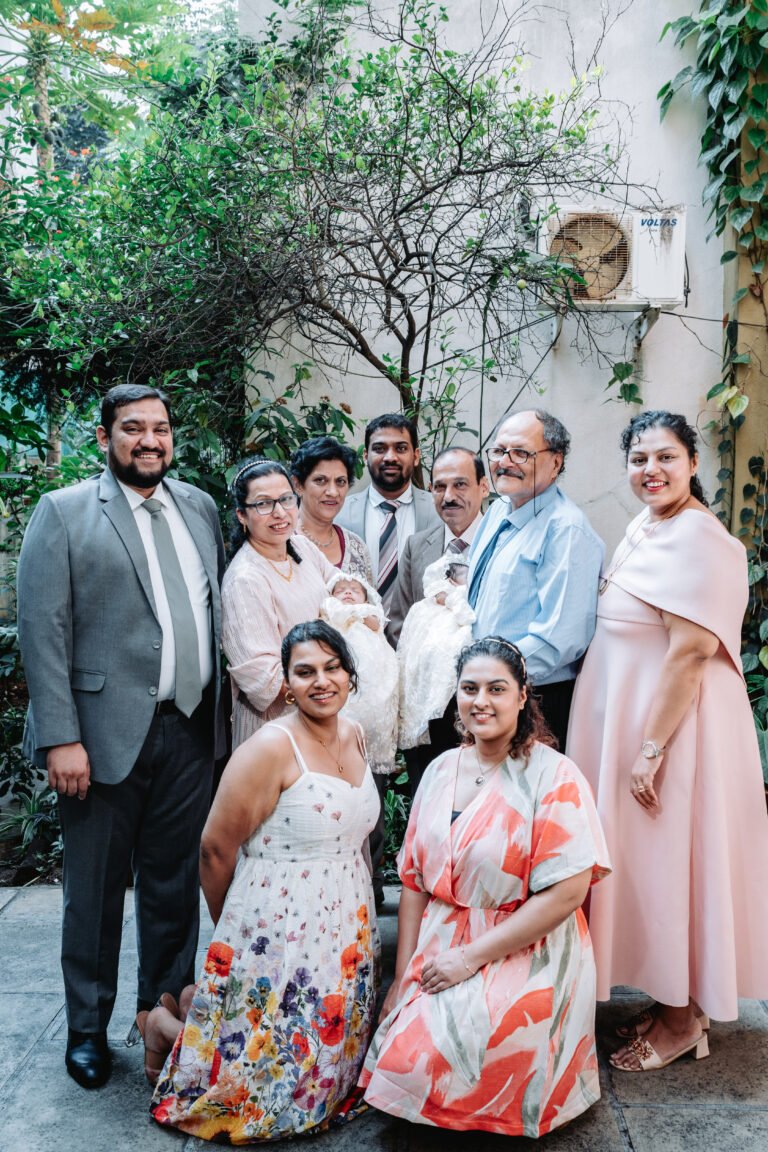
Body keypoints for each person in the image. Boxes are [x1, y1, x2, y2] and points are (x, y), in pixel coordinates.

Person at [16, 383, 225, 1090]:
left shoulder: (198, 507)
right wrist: (59, 738)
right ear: (105, 438)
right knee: (96, 891)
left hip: (191, 732)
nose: (150, 441)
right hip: (98, 739)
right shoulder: (66, 513)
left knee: (173, 888)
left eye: (161, 429)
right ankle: (87, 1029)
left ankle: (161, 1014)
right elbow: (43, 633)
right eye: (133, 428)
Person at [568, 410, 768, 1072]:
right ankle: (673, 1000)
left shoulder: (700, 538)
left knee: (670, 864)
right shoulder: (648, 526)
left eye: (665, 457)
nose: (650, 470)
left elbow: (689, 654)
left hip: (676, 734)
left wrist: (649, 752)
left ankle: (684, 1021)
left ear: (691, 463)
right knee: (647, 863)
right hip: (635, 718)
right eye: (638, 458)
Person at [361, 637, 610, 1137]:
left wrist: (470, 958)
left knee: (478, 1042)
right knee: (409, 1054)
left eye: (497, 688)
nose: (482, 701)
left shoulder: (555, 776)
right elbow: (412, 880)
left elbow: (567, 893)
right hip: (442, 934)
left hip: (525, 941)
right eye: (469, 688)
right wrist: (406, 973)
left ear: (522, 696)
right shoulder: (437, 771)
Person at [149, 621, 380, 1142]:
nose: (321, 682)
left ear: (349, 674)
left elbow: (356, 832)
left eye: (332, 667)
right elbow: (214, 847)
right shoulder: (270, 749)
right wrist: (237, 934)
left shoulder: (356, 732)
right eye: (304, 672)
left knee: (325, 1059)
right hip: (278, 930)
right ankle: (159, 1025)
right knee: (258, 1089)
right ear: (287, 683)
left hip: (347, 922)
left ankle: (182, 1012)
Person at [467, 410, 603, 750]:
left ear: (555, 462)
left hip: (535, 699)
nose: (505, 462)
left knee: (528, 802)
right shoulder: (499, 509)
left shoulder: (565, 530)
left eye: (521, 453)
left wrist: (496, 682)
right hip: (490, 692)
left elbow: (561, 638)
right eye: (498, 451)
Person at [222, 457, 338, 748]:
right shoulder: (245, 578)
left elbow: (338, 584)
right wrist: (325, 683)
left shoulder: (299, 546)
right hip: (277, 727)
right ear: (241, 515)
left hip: (323, 705)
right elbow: (263, 676)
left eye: (286, 499)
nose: (279, 513)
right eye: (263, 504)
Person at [334, 413, 440, 615]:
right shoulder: (340, 513)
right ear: (366, 456)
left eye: (400, 448)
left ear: (416, 456)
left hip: (418, 635)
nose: (390, 457)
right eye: (380, 449)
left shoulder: (438, 512)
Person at [387, 446, 488, 646]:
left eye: (460, 484)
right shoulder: (415, 546)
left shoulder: (500, 544)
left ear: (483, 487)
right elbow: (399, 625)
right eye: (440, 487)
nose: (448, 497)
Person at [320, 573, 399, 776]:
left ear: (366, 597)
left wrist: (356, 613)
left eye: (355, 590)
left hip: (372, 669)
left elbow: (375, 624)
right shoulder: (330, 606)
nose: (347, 592)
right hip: (341, 664)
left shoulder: (369, 610)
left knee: (374, 702)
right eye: (341, 589)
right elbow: (328, 616)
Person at [397, 557, 474, 752]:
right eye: (463, 573)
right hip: (427, 683)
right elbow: (408, 648)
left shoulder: (468, 596)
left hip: (460, 685)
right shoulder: (423, 608)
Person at [290, 435, 373, 581]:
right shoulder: (283, 543)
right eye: (320, 481)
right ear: (298, 485)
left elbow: (371, 601)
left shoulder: (356, 547)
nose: (333, 492)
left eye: (340, 481)